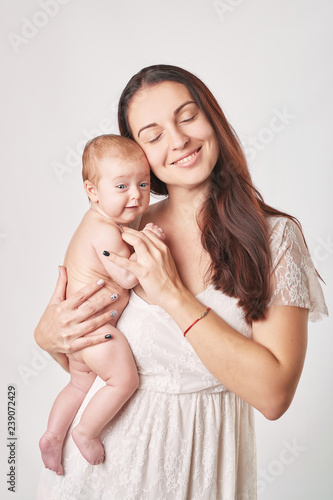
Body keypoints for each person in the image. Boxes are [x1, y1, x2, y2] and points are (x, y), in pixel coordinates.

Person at [35, 65, 328, 500]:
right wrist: (48, 336)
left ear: (212, 117)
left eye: (187, 116)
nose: (177, 140)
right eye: (152, 136)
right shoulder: (126, 233)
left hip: (204, 471)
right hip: (100, 476)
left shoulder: (273, 239)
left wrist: (171, 294)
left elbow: (273, 395)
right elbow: (87, 361)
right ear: (138, 156)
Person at [39, 134, 164, 476]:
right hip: (98, 331)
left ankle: (52, 435)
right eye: (121, 186)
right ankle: (85, 431)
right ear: (92, 191)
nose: (136, 194)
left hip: (84, 336)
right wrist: (147, 242)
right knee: (124, 382)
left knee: (79, 385)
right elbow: (126, 278)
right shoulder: (105, 232)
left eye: (143, 183)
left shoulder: (97, 223)